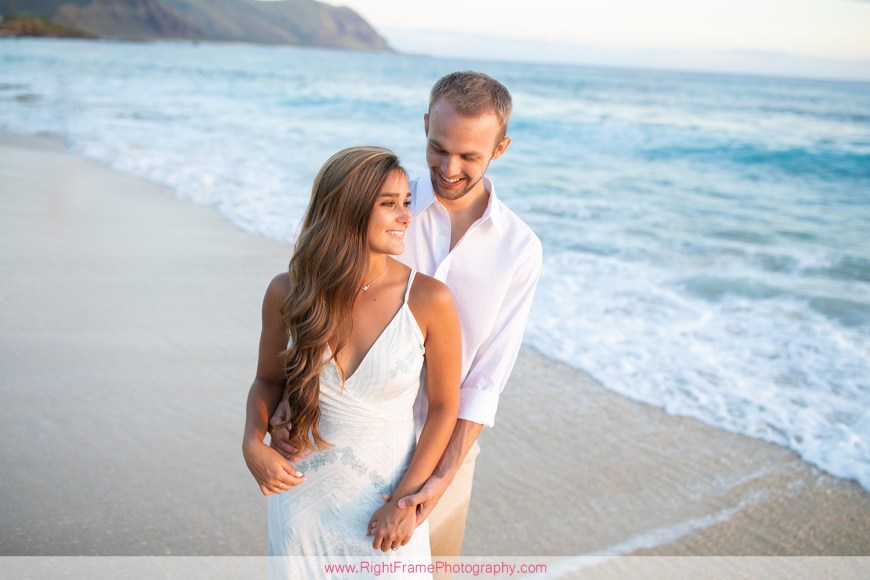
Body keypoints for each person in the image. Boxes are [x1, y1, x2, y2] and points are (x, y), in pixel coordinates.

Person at [271, 71, 543, 558]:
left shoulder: (518, 248)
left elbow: (486, 378)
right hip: (339, 439)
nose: (449, 168)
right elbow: (320, 300)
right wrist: (290, 397)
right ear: (424, 126)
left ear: (500, 149)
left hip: (445, 447)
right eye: (438, 148)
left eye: (469, 156)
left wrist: (441, 476)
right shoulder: (383, 208)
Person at [242, 146, 461, 577]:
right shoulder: (287, 292)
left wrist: (406, 502)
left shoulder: (429, 299)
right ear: (347, 208)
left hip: (386, 509)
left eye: (406, 203)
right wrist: (253, 442)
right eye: (389, 204)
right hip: (302, 506)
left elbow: (443, 408)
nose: (405, 217)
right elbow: (267, 381)